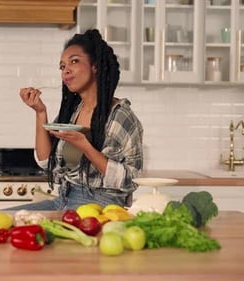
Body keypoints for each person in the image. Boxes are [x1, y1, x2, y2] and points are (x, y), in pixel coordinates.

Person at [8, 29, 143, 211]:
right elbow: (46, 162)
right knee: (0, 220)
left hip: (100, 203)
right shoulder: (72, 113)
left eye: (74, 61)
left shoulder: (120, 116)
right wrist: (40, 112)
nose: (66, 71)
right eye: (62, 66)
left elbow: (130, 180)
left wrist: (86, 147)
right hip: (63, 198)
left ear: (95, 66)